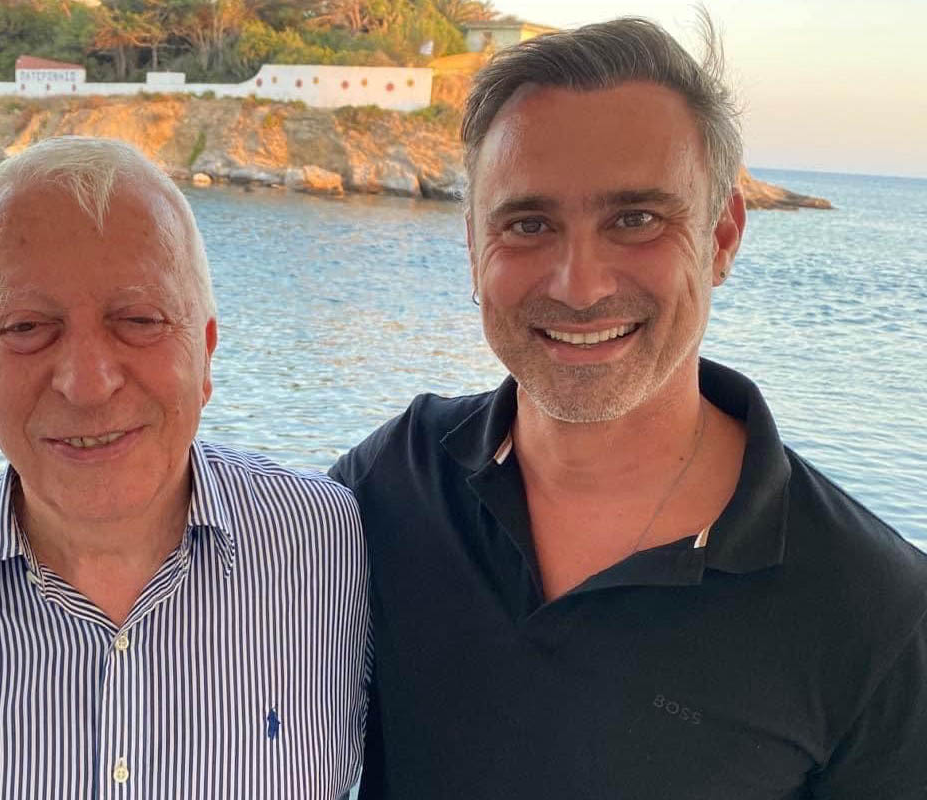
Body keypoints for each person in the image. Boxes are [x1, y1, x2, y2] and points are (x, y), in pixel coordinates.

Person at [330, 17, 927, 799]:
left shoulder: (876, 612)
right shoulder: (391, 482)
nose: (580, 286)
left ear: (721, 237)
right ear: (474, 250)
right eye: (529, 224)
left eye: (636, 220)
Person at [0, 136, 370, 798]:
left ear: (205, 352)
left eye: (139, 319)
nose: (87, 384)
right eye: (28, 329)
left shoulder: (332, 546)